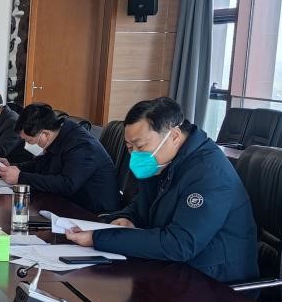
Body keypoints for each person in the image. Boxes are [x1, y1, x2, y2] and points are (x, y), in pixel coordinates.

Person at [65, 97, 259, 284]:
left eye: (140, 146)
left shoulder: (210, 174)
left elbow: (180, 244)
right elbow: (142, 204)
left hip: (215, 283)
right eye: (130, 148)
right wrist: (128, 218)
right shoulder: (163, 161)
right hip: (173, 269)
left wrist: (98, 239)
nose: (135, 155)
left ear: (174, 136)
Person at [0, 103, 119, 213]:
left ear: (45, 134)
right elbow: (40, 164)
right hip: (68, 204)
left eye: (30, 141)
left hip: (93, 213)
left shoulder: (82, 146)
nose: (28, 145)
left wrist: (21, 177)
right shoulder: (59, 134)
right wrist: (11, 168)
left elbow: (67, 185)